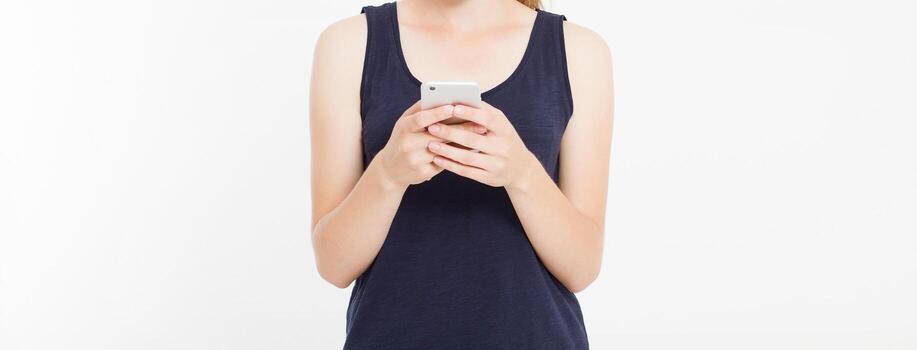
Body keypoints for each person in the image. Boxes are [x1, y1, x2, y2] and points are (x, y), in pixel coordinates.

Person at [308, 0, 613, 348]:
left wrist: (521, 173)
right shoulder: (348, 44)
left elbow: (583, 266)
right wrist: (388, 174)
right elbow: (334, 265)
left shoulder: (580, 51)